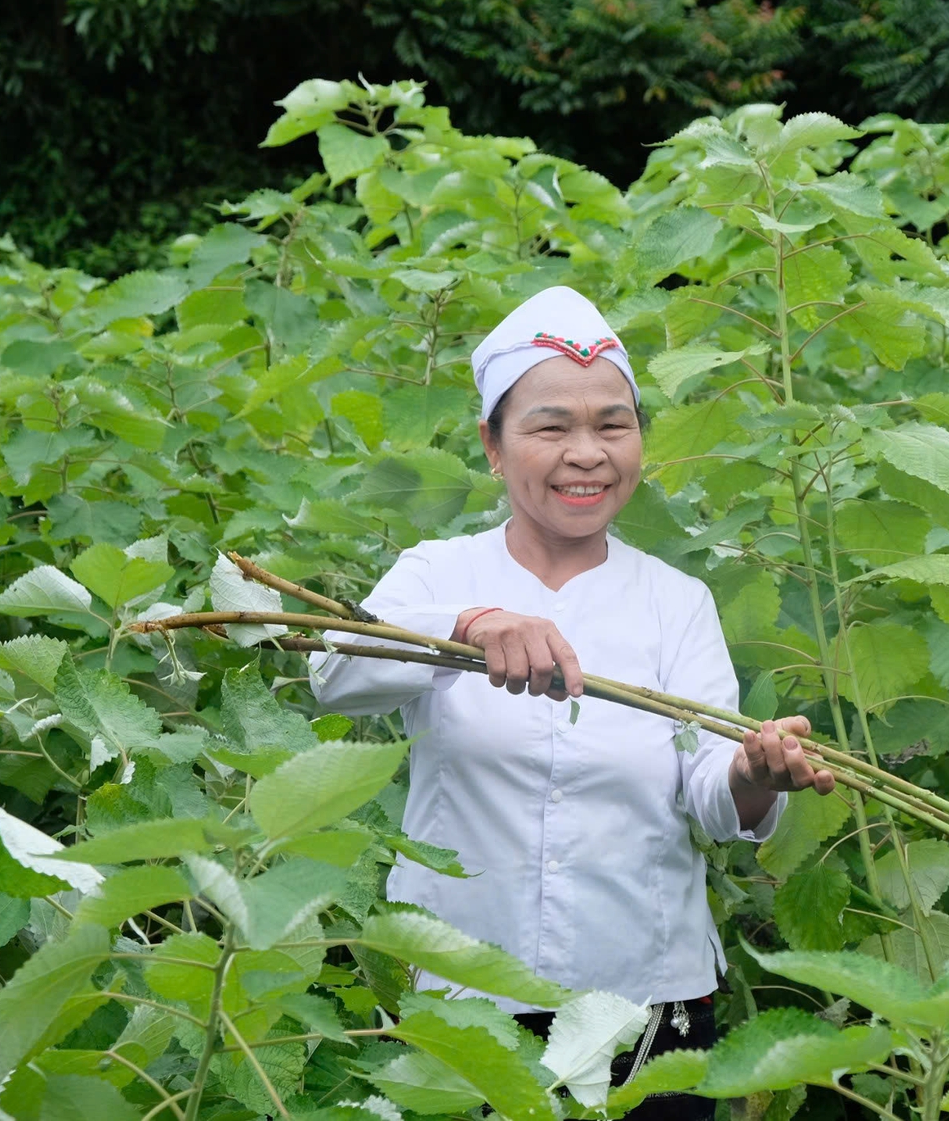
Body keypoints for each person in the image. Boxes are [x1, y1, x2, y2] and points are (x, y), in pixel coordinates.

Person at [311, 286, 836, 1119]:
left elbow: (709, 797)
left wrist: (753, 772)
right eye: (551, 427)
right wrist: (467, 628)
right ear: (492, 444)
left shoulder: (676, 600)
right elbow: (334, 671)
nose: (586, 453)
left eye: (612, 426)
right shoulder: (437, 573)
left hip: (645, 1005)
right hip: (460, 997)